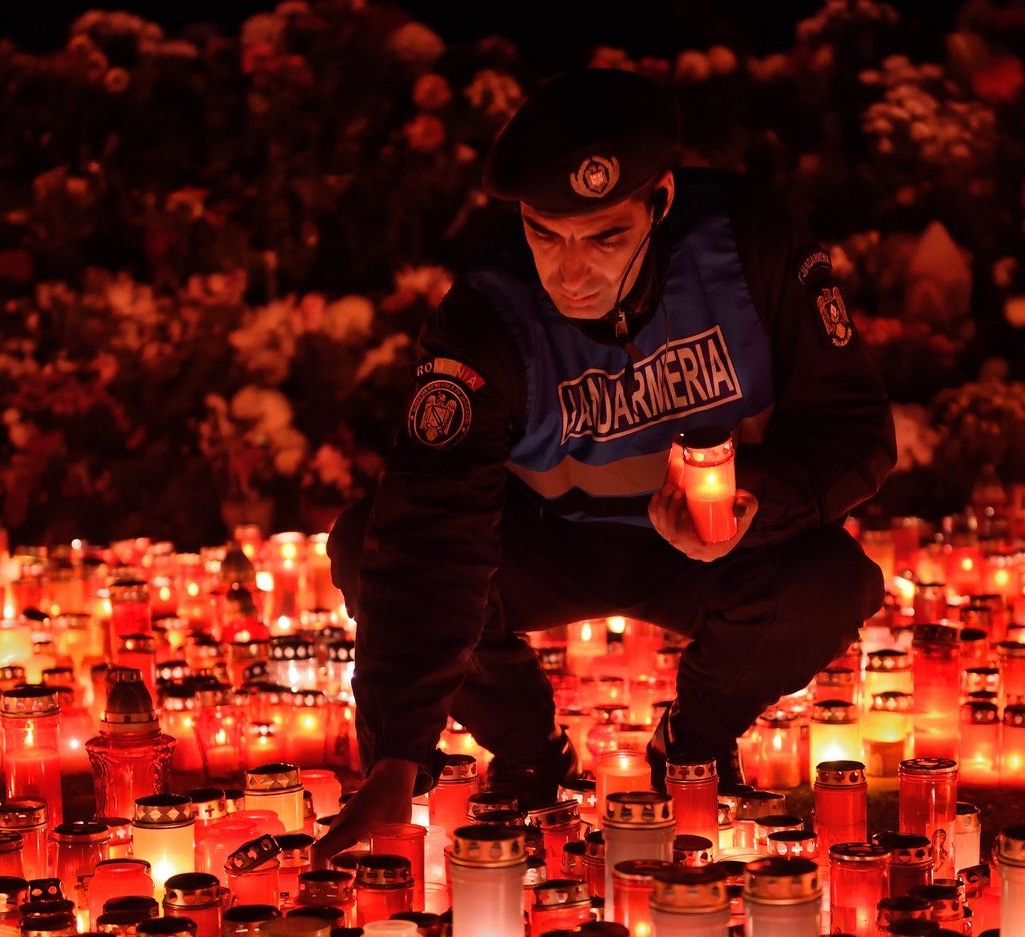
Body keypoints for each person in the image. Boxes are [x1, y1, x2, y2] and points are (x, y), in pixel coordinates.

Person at [313, 66, 894, 867]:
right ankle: (528, 751)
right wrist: (395, 758)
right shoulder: (488, 312)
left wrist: (757, 495)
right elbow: (429, 529)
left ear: (659, 201)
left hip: (709, 547)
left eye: (605, 236)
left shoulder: (747, 247)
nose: (571, 270)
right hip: (549, 542)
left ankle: (692, 746)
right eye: (545, 234)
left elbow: (857, 432)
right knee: (366, 544)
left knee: (833, 579)